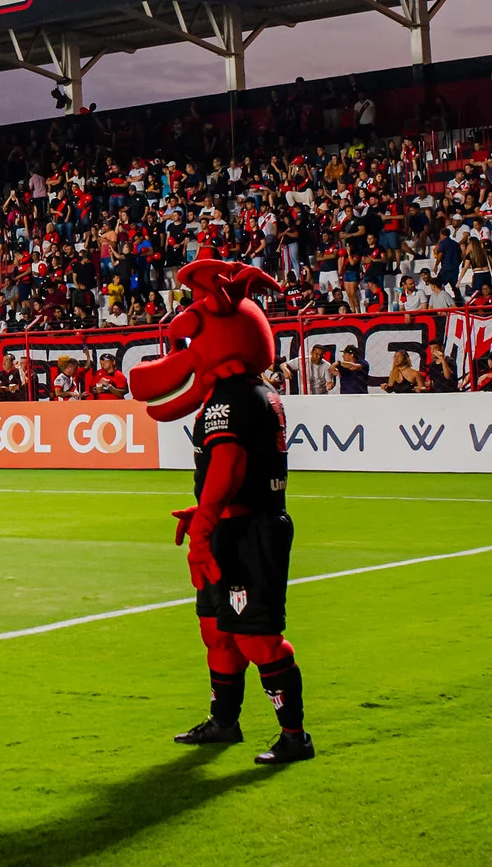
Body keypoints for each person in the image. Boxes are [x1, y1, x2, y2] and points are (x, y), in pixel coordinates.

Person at [136, 260, 313, 765]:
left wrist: (206, 519)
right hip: (234, 521)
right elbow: (234, 469)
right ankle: (224, 721)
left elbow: (231, 462)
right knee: (217, 631)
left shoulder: (231, 398)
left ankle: (295, 736)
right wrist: (205, 511)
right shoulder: (253, 393)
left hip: (247, 530)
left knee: (257, 638)